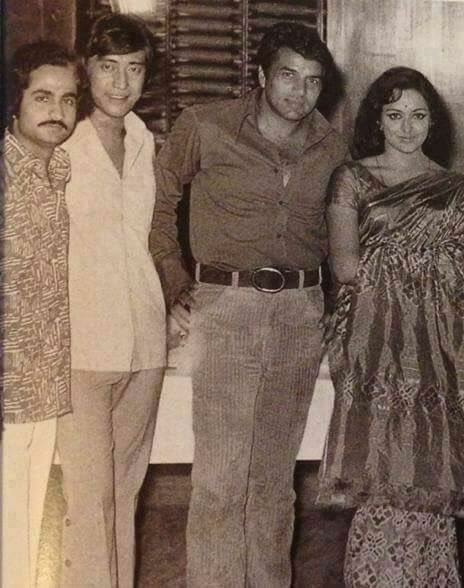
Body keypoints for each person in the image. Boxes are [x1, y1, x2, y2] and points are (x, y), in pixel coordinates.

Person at [150, 22, 349, 586]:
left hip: (300, 311)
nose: (300, 92)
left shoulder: (333, 146)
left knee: (274, 479)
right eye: (288, 75)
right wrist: (174, 280)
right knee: (220, 479)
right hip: (226, 306)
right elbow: (158, 203)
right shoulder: (205, 125)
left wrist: (334, 304)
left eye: (313, 81)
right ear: (261, 75)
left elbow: (343, 234)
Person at [316, 66, 464, 586]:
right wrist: (420, 259)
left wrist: (401, 260)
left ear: (433, 121)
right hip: (373, 348)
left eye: (418, 116)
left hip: (440, 356)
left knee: (428, 473)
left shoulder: (455, 188)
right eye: (395, 116)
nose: (407, 128)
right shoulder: (351, 178)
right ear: (378, 120)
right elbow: (345, 267)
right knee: (380, 467)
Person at [55, 14, 166, 587]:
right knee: (88, 501)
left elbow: (150, 240)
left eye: (134, 69)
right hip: (81, 348)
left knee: (125, 495)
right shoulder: (59, 142)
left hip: (144, 345)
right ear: (86, 69)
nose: (121, 84)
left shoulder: (146, 141)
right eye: (108, 67)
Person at [1, 40, 81, 588]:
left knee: (28, 515)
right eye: (43, 97)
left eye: (69, 100)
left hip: (44, 375)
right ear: (16, 101)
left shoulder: (60, 169)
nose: (57, 110)